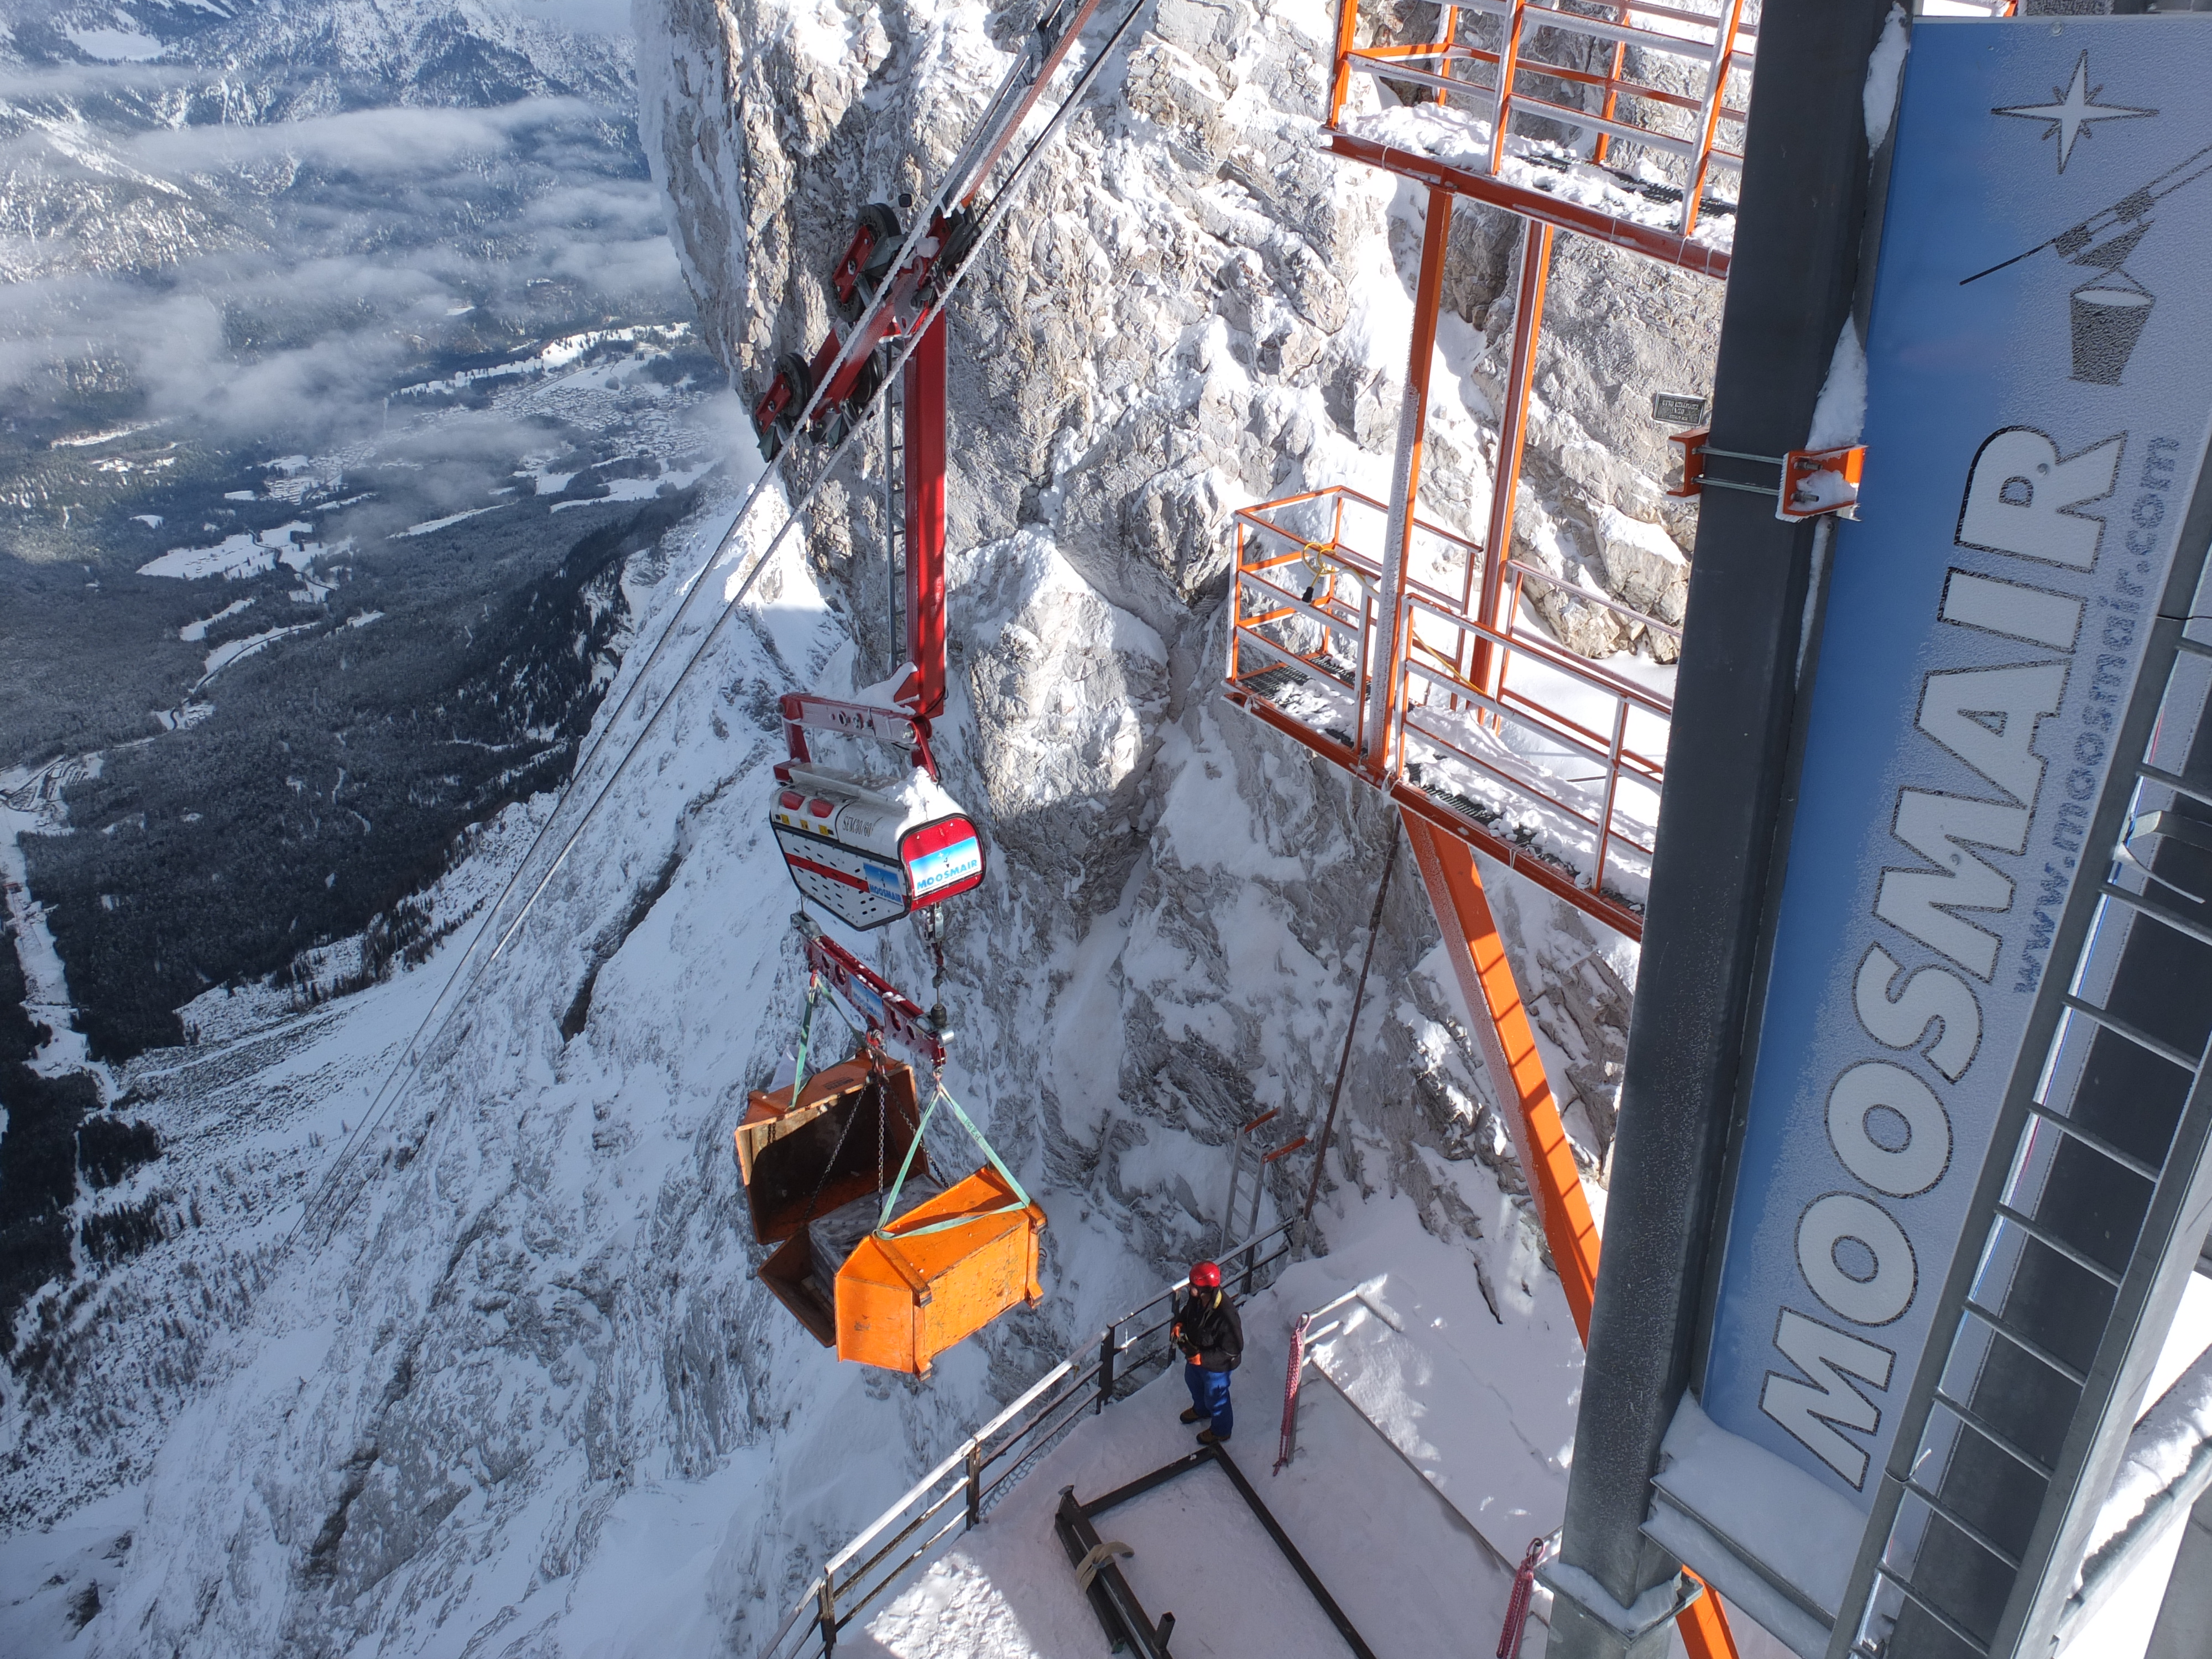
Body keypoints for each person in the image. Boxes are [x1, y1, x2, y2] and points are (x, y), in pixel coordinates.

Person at [1170, 1260, 1243, 1444]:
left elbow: (1234, 1349)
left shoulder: (1226, 1315)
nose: (1190, 1287)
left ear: (1204, 1288)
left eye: (1193, 1285)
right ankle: (1202, 1410)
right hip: (1196, 1355)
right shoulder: (1199, 1299)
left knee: (1216, 1397)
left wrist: (1202, 1358)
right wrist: (1180, 1323)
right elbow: (1188, 1312)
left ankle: (1222, 1431)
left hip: (1217, 1367)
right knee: (1193, 1382)